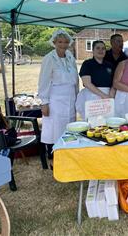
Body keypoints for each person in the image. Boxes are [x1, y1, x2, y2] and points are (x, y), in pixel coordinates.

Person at [38, 29, 79, 166]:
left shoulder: (70, 57)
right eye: (60, 42)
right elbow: (44, 80)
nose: (63, 44)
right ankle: (53, 158)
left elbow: (76, 79)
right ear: (54, 42)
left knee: (69, 127)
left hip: (70, 96)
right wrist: (44, 102)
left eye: (66, 42)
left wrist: (77, 97)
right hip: (55, 98)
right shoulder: (49, 58)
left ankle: (68, 155)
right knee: (54, 129)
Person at [76, 40, 115, 120]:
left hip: (108, 97)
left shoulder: (110, 65)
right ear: (93, 50)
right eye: (98, 48)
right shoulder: (87, 64)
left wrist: (110, 96)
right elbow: (87, 83)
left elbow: (114, 83)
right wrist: (103, 96)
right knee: (92, 122)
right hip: (92, 97)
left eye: (103, 48)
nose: (101, 50)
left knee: (107, 122)